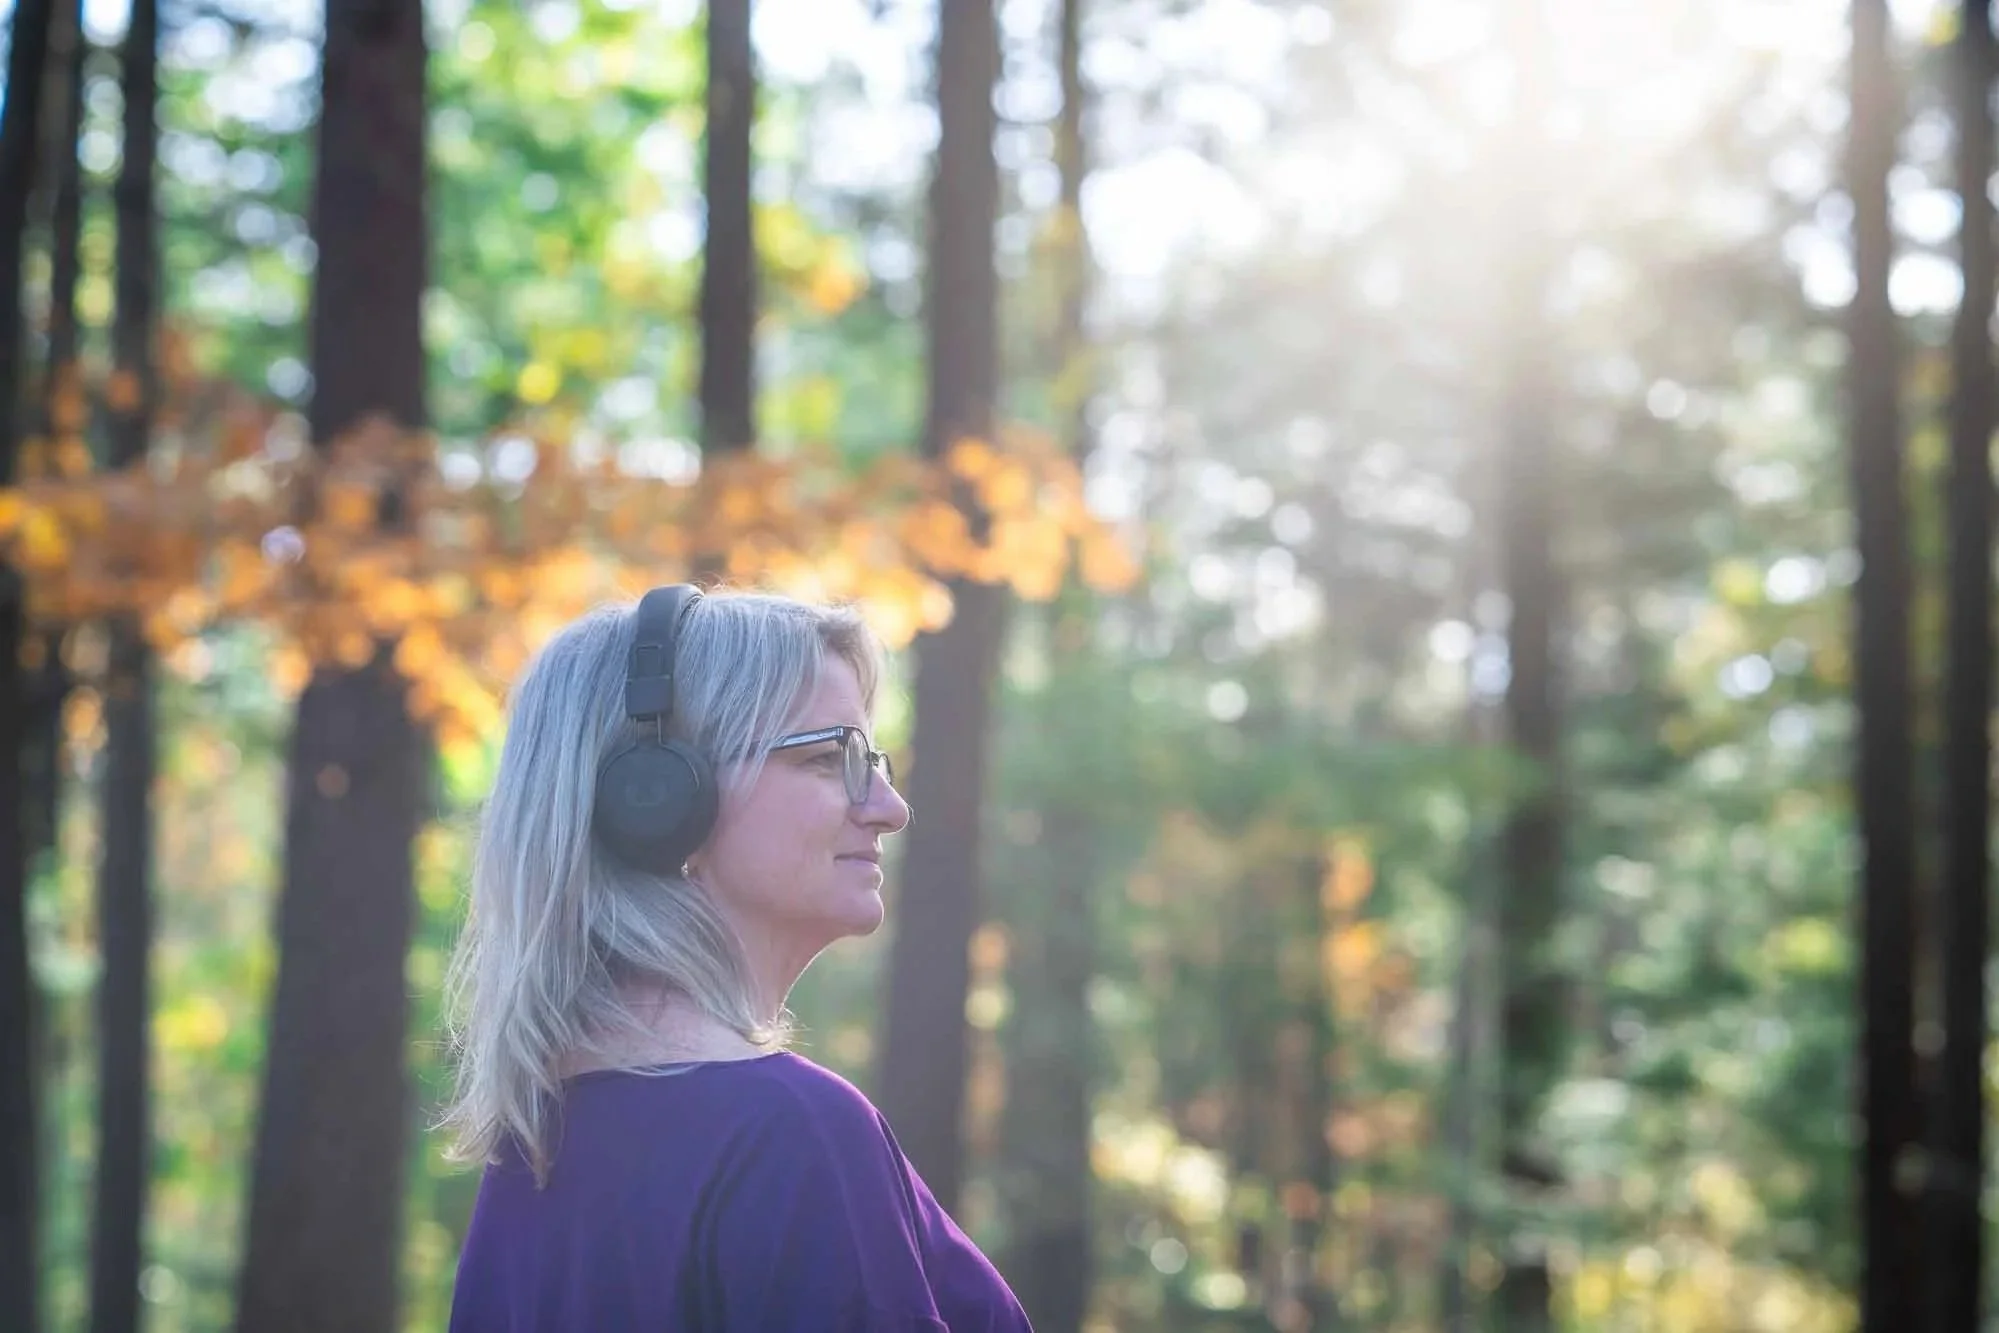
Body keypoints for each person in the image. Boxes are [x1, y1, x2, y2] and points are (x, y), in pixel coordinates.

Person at [441, 585, 1033, 1332]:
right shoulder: (788, 1132)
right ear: (655, 800)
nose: (889, 806)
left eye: (871, 760)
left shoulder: (536, 1145)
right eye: (828, 757)